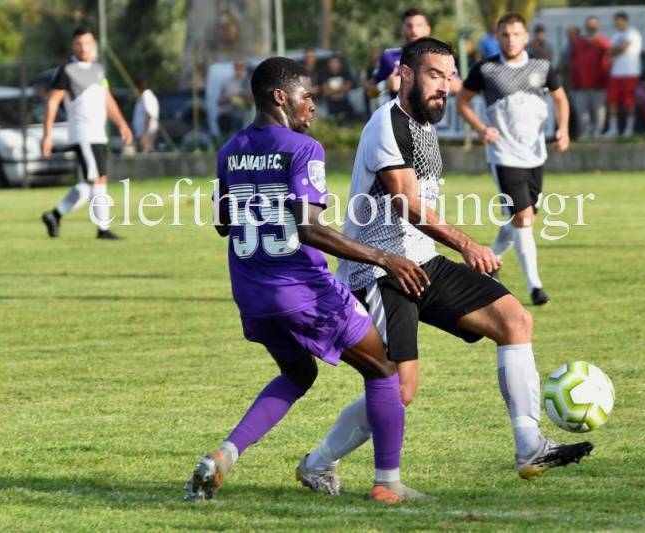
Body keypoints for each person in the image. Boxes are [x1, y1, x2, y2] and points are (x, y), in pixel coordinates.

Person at [295, 37, 592, 495]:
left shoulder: (424, 125)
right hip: (379, 272)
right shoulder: (386, 124)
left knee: (514, 320)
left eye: (450, 77)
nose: (446, 87)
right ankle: (318, 464)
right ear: (406, 74)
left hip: (422, 262)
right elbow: (407, 204)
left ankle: (529, 445)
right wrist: (466, 244)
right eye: (435, 75)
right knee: (399, 390)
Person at [184, 57, 432, 504]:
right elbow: (310, 229)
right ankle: (387, 483)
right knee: (384, 369)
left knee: (298, 372)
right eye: (307, 95)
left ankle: (225, 453)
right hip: (302, 291)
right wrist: (385, 258)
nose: (313, 105)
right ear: (281, 97)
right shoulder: (303, 148)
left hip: (251, 294)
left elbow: (223, 223)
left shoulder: (229, 149)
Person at [457, 13, 570, 306]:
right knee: (523, 218)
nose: (511, 40)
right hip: (504, 155)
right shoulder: (485, 69)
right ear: (497, 37)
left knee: (523, 218)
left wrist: (563, 129)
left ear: (526, 36)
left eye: (516, 34)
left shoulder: (542, 67)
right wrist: (481, 129)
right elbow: (462, 101)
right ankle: (535, 287)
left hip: (535, 154)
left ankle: (489, 261)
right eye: (505, 35)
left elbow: (560, 98)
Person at [40, 26, 133, 239]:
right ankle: (103, 229)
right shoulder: (67, 71)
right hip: (83, 133)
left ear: (94, 45)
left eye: (88, 43)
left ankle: (54, 215)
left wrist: (121, 123)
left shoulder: (98, 69)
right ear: (73, 46)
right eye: (79, 44)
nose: (84, 48)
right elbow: (53, 102)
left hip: (98, 133)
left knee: (92, 181)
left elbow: (106, 98)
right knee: (98, 179)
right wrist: (47, 135)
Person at [371, 8, 461, 101]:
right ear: (402, 29)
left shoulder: (441, 55)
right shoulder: (388, 56)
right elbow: (370, 92)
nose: (414, 30)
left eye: (419, 25)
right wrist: (385, 85)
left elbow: (459, 86)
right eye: (409, 26)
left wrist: (424, 81)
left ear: (428, 29)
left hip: (434, 109)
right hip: (400, 110)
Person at [570, 17, 611, 140]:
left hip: (599, 83)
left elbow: (609, 59)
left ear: (598, 26)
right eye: (589, 25)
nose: (591, 27)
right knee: (582, 110)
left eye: (594, 25)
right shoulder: (578, 43)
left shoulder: (603, 42)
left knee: (598, 110)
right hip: (580, 83)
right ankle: (585, 133)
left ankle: (597, 133)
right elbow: (572, 61)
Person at [603, 12, 642, 139]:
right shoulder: (615, 35)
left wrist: (616, 50)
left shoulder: (633, 33)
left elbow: (621, 49)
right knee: (612, 100)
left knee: (629, 101)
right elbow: (610, 52)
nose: (615, 23)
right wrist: (616, 50)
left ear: (624, 20)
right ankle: (613, 129)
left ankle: (629, 129)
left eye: (617, 21)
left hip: (630, 72)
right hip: (616, 73)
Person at [217, 60, 252, 137]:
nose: (238, 69)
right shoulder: (227, 82)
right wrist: (228, 98)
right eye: (237, 67)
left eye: (241, 67)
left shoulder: (248, 83)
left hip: (242, 117)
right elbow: (219, 102)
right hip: (227, 116)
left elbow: (249, 103)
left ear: (244, 68)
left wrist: (234, 97)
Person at [132, 78, 159, 153]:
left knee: (146, 154)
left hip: (146, 134)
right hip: (144, 133)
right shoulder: (143, 97)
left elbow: (149, 115)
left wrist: (145, 133)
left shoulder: (147, 96)